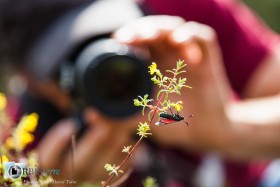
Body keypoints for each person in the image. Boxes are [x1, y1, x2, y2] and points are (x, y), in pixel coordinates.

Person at [1, 0, 280, 186]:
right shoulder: (22, 133)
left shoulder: (181, 27)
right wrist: (50, 177)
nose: (107, 70)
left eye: (109, 35)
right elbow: (13, 172)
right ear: (30, 80)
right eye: (71, 57)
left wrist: (231, 127)